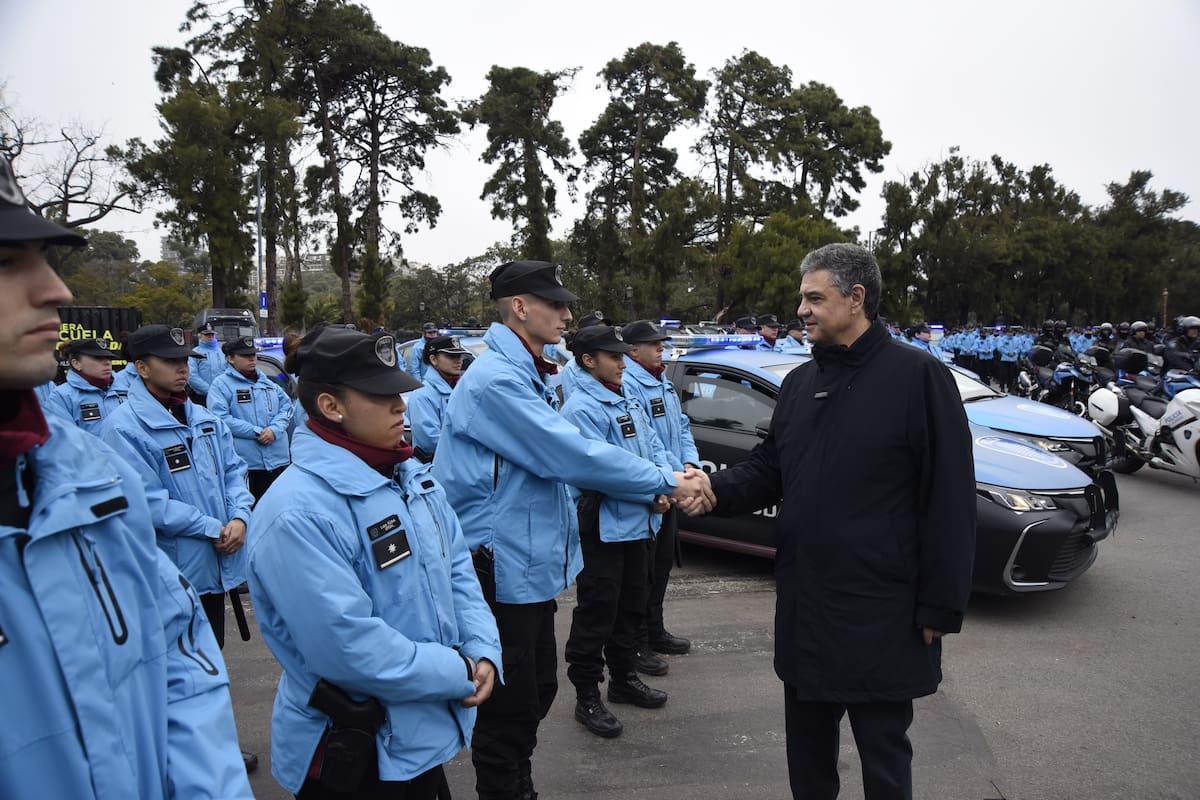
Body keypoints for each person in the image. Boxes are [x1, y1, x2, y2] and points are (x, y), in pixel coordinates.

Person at [0, 155, 253, 799]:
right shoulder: (114, 437)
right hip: (194, 544)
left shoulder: (82, 470)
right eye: (7, 262)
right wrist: (208, 524)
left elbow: (178, 668)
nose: (55, 289)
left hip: (215, 553)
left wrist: (238, 516)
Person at [696, 243, 976, 800]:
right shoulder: (800, 384)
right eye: (801, 297)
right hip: (807, 606)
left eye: (814, 297)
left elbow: (949, 498)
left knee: (884, 761)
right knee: (807, 758)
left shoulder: (918, 377)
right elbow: (769, 469)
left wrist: (940, 605)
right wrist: (709, 491)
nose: (801, 309)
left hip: (883, 610)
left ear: (856, 298)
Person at [433, 260, 714, 800]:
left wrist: (669, 475)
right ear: (520, 307)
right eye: (555, 304)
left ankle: (520, 783)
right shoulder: (496, 381)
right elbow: (570, 453)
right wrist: (666, 480)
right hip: (499, 566)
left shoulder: (531, 372)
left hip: (528, 567)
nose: (567, 314)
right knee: (509, 707)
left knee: (535, 691)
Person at [246, 326, 501, 798]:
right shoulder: (297, 512)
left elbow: (457, 571)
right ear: (331, 407)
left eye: (399, 393)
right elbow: (347, 646)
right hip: (355, 747)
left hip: (418, 735)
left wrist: (483, 649)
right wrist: (457, 672)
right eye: (382, 396)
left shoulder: (409, 475)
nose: (401, 405)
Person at [560, 324, 676, 737]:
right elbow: (600, 470)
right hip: (604, 528)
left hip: (640, 524)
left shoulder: (626, 394)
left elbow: (656, 445)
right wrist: (657, 490)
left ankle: (624, 680)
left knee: (632, 605)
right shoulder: (580, 409)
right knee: (598, 612)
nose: (622, 362)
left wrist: (664, 480)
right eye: (613, 356)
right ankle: (587, 694)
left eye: (623, 354)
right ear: (588, 361)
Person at [620, 319, 701, 676]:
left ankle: (654, 629)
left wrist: (689, 463)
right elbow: (644, 441)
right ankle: (636, 642)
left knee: (662, 565)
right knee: (642, 573)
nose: (661, 350)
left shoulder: (661, 380)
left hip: (670, 481)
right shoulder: (629, 383)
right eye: (654, 345)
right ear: (633, 350)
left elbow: (680, 427)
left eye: (661, 344)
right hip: (653, 488)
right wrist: (669, 481)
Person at [206, 335, 294, 500]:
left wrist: (275, 430)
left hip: (278, 460)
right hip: (248, 463)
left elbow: (287, 407)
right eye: (246, 356)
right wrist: (256, 432)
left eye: (253, 355)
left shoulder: (268, 383)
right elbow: (219, 417)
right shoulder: (221, 385)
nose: (252, 359)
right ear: (230, 359)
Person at [408, 334, 469, 461]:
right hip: (436, 467)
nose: (458, 360)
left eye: (459, 355)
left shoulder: (464, 388)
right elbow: (430, 442)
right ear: (434, 359)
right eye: (451, 356)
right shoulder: (421, 395)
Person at [47, 336, 125, 434]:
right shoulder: (62, 396)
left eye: (109, 358)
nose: (107, 362)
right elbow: (65, 440)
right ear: (76, 364)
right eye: (98, 358)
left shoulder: (126, 389)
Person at [188, 321, 224, 404]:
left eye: (212, 335)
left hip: (222, 395)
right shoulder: (194, 353)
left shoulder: (222, 352)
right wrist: (210, 390)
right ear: (200, 336)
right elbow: (192, 376)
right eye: (207, 335)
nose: (210, 337)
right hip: (201, 397)